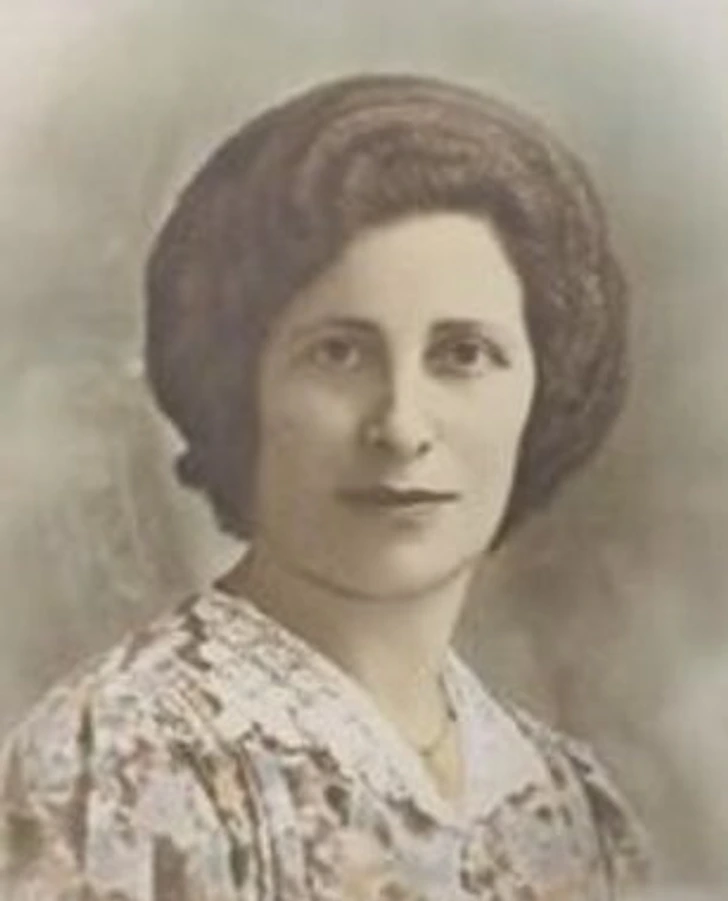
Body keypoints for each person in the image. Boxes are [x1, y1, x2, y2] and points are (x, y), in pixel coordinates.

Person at [0, 74, 649, 899]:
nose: (401, 425)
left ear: (546, 386)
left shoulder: (570, 802)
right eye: (338, 353)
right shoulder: (119, 767)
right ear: (238, 385)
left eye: (463, 354)